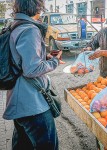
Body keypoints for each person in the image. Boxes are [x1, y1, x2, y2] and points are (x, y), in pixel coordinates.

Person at [3, 0, 62, 149]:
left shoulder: (14, 25)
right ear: (36, 7)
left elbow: (19, 58)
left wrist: (44, 57)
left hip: (19, 100)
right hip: (32, 103)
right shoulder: (30, 29)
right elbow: (31, 70)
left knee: (22, 145)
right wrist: (54, 61)